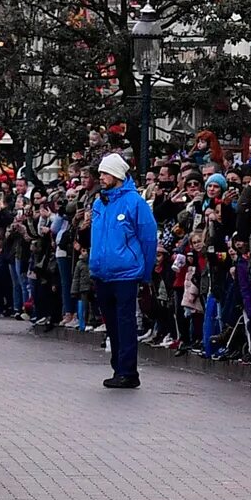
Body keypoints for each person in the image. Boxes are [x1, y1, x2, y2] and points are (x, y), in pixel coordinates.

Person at [87, 151, 157, 390]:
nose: (101, 177)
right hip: (102, 273)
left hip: (126, 273)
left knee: (125, 322)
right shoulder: (99, 202)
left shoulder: (134, 202)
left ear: (117, 173)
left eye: (105, 172)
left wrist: (145, 273)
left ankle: (128, 371)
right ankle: (118, 368)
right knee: (112, 324)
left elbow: (148, 239)